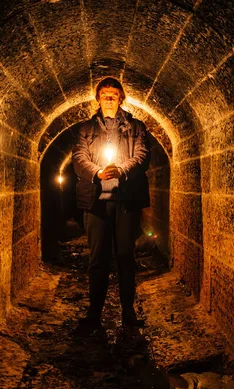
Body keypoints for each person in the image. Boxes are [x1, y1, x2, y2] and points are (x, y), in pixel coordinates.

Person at [72, 77, 150, 328]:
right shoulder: (85, 129)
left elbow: (141, 156)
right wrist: (97, 173)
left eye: (113, 95)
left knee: (126, 255)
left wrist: (121, 171)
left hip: (125, 200)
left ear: (120, 99)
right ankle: (94, 313)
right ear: (97, 99)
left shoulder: (136, 127)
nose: (108, 99)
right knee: (98, 258)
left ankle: (128, 312)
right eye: (104, 94)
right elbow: (78, 158)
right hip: (96, 201)